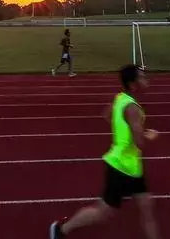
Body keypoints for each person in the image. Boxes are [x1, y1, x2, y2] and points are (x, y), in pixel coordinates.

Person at [50, 65, 160, 239]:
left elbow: (107, 115)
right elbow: (139, 143)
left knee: (147, 208)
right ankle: (61, 230)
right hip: (121, 168)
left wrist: (128, 130)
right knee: (103, 212)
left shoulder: (120, 98)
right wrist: (150, 135)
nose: (146, 80)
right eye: (142, 77)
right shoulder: (133, 109)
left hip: (132, 167)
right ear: (132, 84)